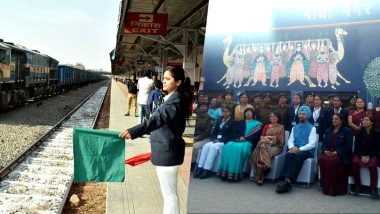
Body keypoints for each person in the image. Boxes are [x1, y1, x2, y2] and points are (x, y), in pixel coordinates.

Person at [119, 67, 190, 214]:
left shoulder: (175, 101)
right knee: (169, 195)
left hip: (168, 153)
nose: (163, 81)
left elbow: (157, 119)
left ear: (178, 82)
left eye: (168, 78)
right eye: (163, 78)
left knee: (170, 196)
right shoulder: (172, 98)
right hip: (165, 152)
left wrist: (134, 131)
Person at [276, 106, 318, 194]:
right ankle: (286, 178)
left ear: (308, 116)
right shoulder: (294, 128)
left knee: (299, 155)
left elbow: (312, 144)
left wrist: (299, 149)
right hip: (295, 148)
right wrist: (291, 147)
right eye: (300, 114)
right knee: (288, 154)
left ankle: (291, 180)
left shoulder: (312, 128)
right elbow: (290, 140)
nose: (301, 116)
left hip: (307, 150)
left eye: (303, 114)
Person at [218, 108, 262, 181]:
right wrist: (239, 137)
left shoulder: (258, 124)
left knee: (237, 148)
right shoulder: (240, 122)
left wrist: (246, 138)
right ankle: (224, 173)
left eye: (250, 112)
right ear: (244, 114)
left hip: (248, 142)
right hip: (237, 140)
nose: (248, 113)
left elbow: (256, 136)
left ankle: (234, 175)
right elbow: (234, 132)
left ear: (253, 114)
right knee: (228, 145)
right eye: (246, 112)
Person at [194, 106, 235, 179]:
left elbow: (231, 135)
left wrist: (220, 140)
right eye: (224, 112)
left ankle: (207, 170)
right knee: (206, 146)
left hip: (224, 141)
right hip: (215, 140)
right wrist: (214, 139)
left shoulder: (233, 122)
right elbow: (215, 131)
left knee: (213, 147)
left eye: (227, 112)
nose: (225, 113)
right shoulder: (220, 120)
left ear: (230, 113)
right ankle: (200, 168)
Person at [319, 113, 353, 196]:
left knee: (333, 161)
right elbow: (323, 144)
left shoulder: (347, 131)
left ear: (341, 121)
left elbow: (348, 147)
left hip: (341, 154)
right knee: (322, 158)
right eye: (333, 119)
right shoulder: (328, 130)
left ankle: (335, 189)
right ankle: (325, 187)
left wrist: (336, 152)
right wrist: (325, 151)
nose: (333, 120)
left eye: (336, 119)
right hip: (329, 152)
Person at [251, 111, 285, 185]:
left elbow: (281, 140)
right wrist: (266, 139)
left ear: (278, 118)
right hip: (264, 144)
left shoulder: (281, 127)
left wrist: (268, 138)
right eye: (271, 116)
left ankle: (260, 175)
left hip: (275, 147)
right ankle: (264, 170)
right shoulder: (266, 126)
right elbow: (261, 137)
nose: (272, 118)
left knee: (262, 145)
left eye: (275, 116)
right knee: (262, 144)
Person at [351, 115, 380, 198]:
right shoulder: (359, 132)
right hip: (360, 154)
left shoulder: (377, 132)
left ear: (371, 122)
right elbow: (357, 146)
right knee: (354, 163)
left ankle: (373, 188)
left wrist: (369, 156)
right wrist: (361, 156)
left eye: (367, 120)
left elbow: (377, 147)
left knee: (373, 166)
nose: (365, 121)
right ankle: (357, 185)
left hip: (372, 154)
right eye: (363, 120)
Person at [191, 102, 214, 172]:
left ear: (207, 108)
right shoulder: (195, 116)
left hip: (205, 139)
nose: (202, 108)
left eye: (204, 106)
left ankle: (193, 164)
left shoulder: (210, 118)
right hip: (194, 137)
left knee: (194, 147)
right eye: (201, 106)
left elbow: (207, 132)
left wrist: (197, 138)